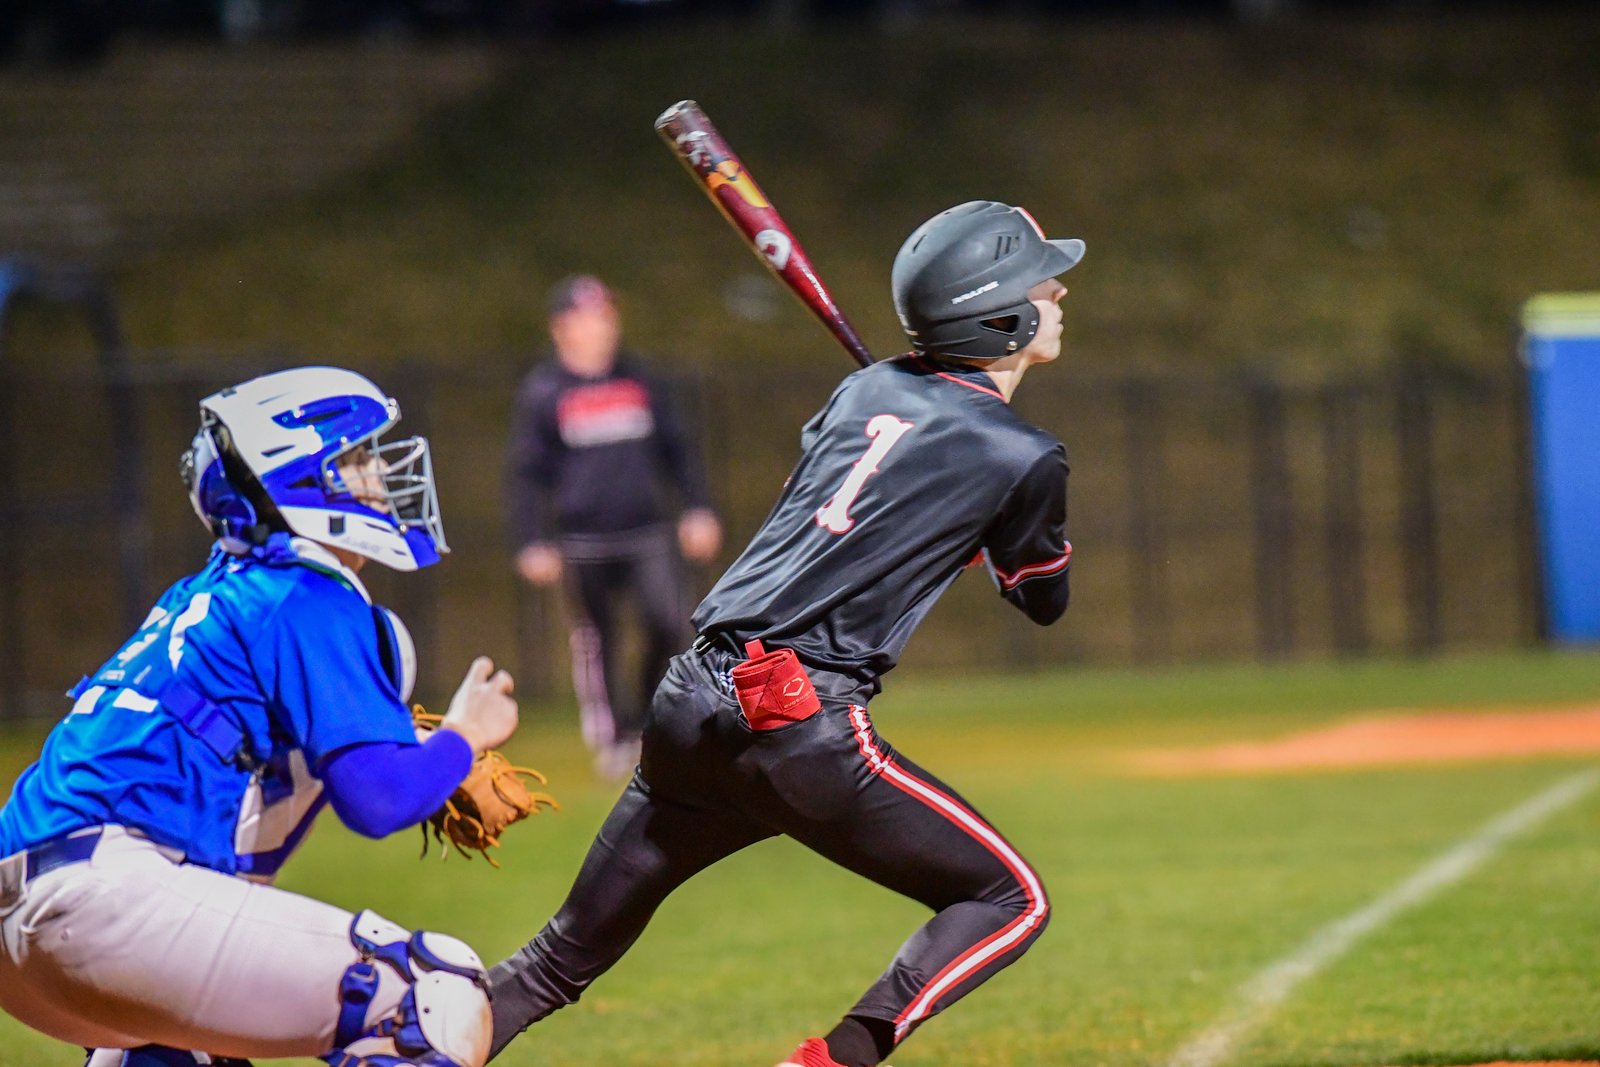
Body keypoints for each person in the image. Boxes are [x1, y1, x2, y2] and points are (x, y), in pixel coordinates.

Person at [488, 201, 1082, 1067]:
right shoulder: (1023, 454)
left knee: (555, 961)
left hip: (693, 698)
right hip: (797, 719)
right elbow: (1043, 599)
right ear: (1003, 315)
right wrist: (1002, 535)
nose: (1059, 291)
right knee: (1010, 897)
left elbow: (854, 500)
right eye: (1042, 281)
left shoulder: (867, 386)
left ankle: (414, 1049)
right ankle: (830, 1062)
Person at [0, 366, 519, 1067]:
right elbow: (378, 797)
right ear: (304, 481)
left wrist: (418, 748)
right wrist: (463, 735)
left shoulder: (216, 590)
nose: (375, 474)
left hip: (35, 909)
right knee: (432, 993)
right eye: (355, 457)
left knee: (192, 1045)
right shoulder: (307, 594)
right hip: (105, 899)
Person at [507, 273, 722, 780]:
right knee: (597, 639)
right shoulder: (544, 391)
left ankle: (650, 717)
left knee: (668, 621)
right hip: (582, 540)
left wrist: (698, 507)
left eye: (607, 315)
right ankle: (617, 736)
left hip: (647, 530)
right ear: (562, 328)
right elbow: (525, 473)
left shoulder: (639, 379)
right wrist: (531, 540)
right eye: (589, 316)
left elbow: (679, 450)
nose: (602, 326)